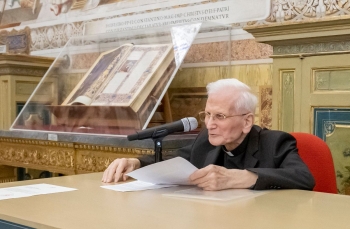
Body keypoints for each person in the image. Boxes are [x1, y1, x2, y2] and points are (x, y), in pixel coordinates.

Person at [102, 78, 315, 191]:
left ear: (247, 121)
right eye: (207, 114)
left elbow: (304, 178)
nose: (210, 124)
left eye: (220, 116)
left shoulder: (274, 142)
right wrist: (136, 163)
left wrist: (242, 177)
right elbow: (176, 161)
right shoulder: (206, 140)